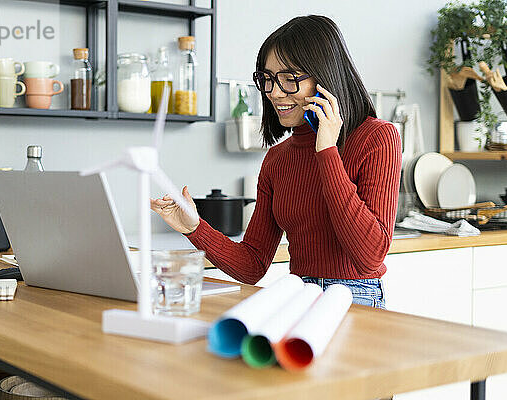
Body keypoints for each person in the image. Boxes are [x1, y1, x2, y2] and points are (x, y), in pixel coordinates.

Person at [150, 15, 401, 309]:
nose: (274, 92)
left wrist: (327, 152)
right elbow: (251, 265)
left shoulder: (378, 137)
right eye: (268, 79)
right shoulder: (278, 159)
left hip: (356, 298)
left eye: (289, 78)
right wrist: (193, 227)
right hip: (297, 296)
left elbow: (370, 255)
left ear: (325, 77)